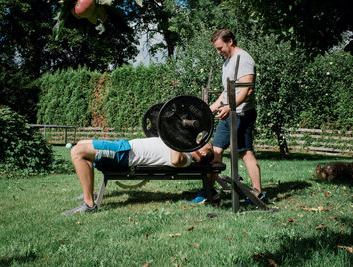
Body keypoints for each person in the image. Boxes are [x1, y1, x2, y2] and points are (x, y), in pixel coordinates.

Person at [190, 28, 265, 204]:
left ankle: (258, 193)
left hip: (242, 113)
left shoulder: (243, 59)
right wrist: (209, 109)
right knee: (216, 150)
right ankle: (210, 192)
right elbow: (226, 93)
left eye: (219, 47)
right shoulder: (227, 63)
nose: (218, 52)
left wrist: (230, 106)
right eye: (216, 49)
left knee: (244, 152)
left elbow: (247, 89)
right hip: (228, 113)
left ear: (230, 41)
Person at [63, 137, 214, 214]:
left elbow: (175, 160)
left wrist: (175, 137)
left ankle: (89, 204)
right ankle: (87, 194)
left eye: (202, 144)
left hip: (124, 154)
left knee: (77, 152)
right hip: (124, 147)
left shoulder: (187, 158)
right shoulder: (184, 149)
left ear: (202, 153)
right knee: (81, 144)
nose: (197, 141)